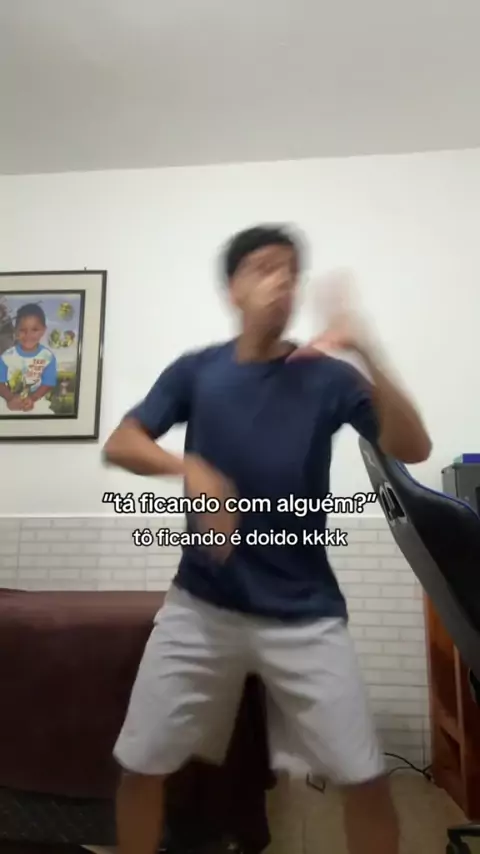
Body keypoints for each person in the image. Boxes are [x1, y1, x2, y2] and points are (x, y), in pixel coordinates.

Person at [104, 225, 432, 854]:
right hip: (200, 606)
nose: (281, 281)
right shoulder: (197, 371)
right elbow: (122, 442)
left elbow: (413, 447)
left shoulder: (326, 377)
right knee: (140, 765)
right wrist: (188, 468)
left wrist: (367, 348)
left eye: (290, 270)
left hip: (305, 611)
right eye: (263, 268)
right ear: (233, 288)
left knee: (365, 778)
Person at [0, 303, 57, 414]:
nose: (28, 335)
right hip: (7, 401)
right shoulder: (6, 356)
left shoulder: (48, 357)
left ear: (43, 330)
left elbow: (48, 384)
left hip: (36, 402)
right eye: (22, 330)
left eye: (34, 330)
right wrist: (10, 398)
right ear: (15, 330)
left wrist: (32, 398)